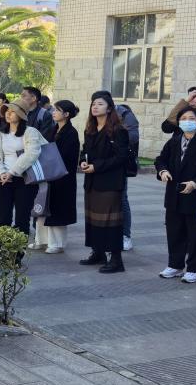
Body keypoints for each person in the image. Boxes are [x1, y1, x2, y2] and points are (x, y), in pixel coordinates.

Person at [155, 106, 196, 283]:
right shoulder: (174, 142)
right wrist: (162, 171)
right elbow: (160, 159)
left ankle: (194, 269)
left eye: (191, 118)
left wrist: (195, 183)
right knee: (174, 232)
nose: (187, 122)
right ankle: (175, 265)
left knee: (195, 235)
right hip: (174, 195)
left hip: (195, 197)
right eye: (183, 118)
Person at [79, 91, 131, 274]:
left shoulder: (118, 130)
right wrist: (83, 161)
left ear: (109, 108)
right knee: (93, 220)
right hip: (92, 181)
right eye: (93, 104)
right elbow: (85, 151)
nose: (95, 107)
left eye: (100, 104)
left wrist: (97, 166)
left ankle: (116, 260)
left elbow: (121, 157)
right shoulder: (90, 129)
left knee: (110, 222)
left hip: (110, 182)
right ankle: (98, 252)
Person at [0, 102, 45, 241]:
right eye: (6, 111)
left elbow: (32, 154)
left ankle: (19, 252)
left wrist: (12, 172)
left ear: (21, 115)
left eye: (12, 111)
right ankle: (3, 251)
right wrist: (1, 173)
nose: (8, 113)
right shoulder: (0, 134)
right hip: (3, 180)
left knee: (22, 219)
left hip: (25, 180)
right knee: (3, 218)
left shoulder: (30, 132)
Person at [36, 100, 80, 254]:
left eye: (57, 110)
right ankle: (41, 240)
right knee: (43, 207)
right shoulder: (52, 129)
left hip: (63, 178)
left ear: (66, 114)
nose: (53, 112)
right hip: (49, 175)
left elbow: (66, 156)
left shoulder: (71, 133)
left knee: (58, 210)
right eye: (54, 109)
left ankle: (57, 244)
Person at [116, 101, 140, 251]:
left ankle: (126, 236)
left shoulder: (125, 115)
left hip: (120, 165)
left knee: (122, 199)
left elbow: (133, 137)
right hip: (102, 166)